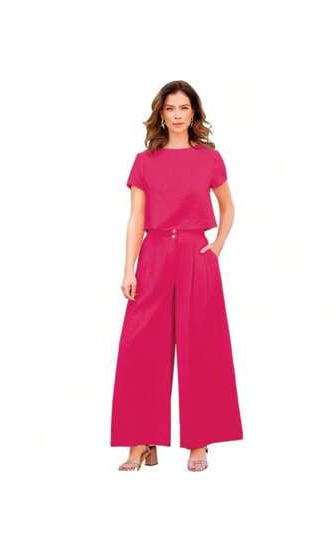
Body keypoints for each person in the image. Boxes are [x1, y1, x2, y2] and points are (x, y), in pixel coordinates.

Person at [110, 80, 243, 472]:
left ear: (194, 113)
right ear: (162, 114)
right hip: (154, 254)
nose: (178, 115)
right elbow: (136, 217)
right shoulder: (144, 161)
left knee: (201, 345)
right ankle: (140, 441)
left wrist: (217, 244)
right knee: (140, 348)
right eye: (170, 108)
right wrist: (129, 268)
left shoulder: (210, 159)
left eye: (184, 108)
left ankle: (199, 440)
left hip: (195, 255)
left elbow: (228, 206)